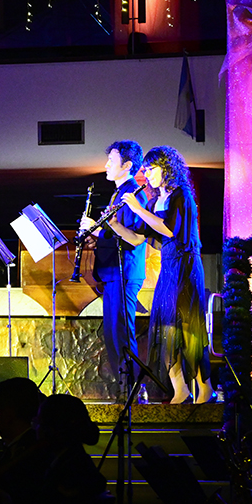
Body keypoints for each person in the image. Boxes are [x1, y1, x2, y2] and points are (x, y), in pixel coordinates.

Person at [109, 146, 212, 404]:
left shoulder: (182, 195)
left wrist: (137, 209)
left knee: (188, 328)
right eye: (145, 169)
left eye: (151, 169)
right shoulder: (155, 201)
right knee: (165, 328)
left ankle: (205, 389)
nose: (147, 174)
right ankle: (181, 390)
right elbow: (139, 239)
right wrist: (115, 225)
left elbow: (170, 231)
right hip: (168, 269)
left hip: (186, 268)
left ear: (167, 168)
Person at [79, 141, 148, 392]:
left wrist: (96, 230)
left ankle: (133, 389)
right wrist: (95, 236)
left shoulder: (133, 194)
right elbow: (113, 234)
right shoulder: (117, 193)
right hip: (112, 273)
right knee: (112, 333)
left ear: (127, 165)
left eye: (112, 160)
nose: (107, 164)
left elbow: (133, 237)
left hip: (124, 271)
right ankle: (125, 388)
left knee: (121, 333)